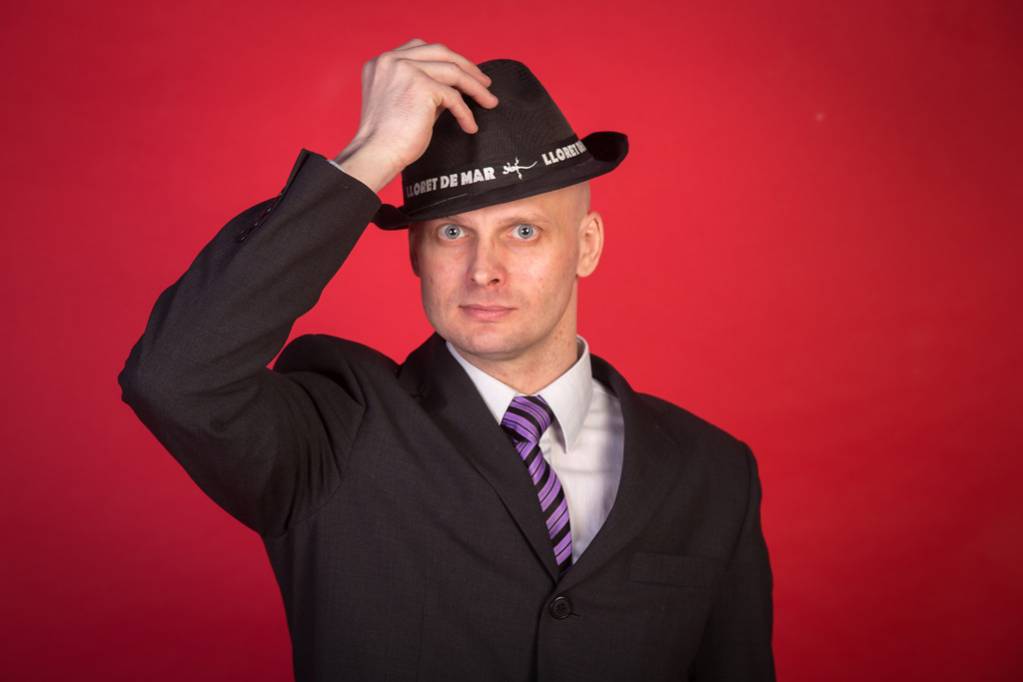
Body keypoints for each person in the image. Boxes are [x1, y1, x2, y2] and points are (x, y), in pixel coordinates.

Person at [118, 38, 775, 681]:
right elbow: (176, 378)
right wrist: (369, 154)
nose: (483, 270)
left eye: (523, 231)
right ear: (415, 254)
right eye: (452, 232)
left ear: (587, 244)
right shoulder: (334, 429)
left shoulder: (712, 469)